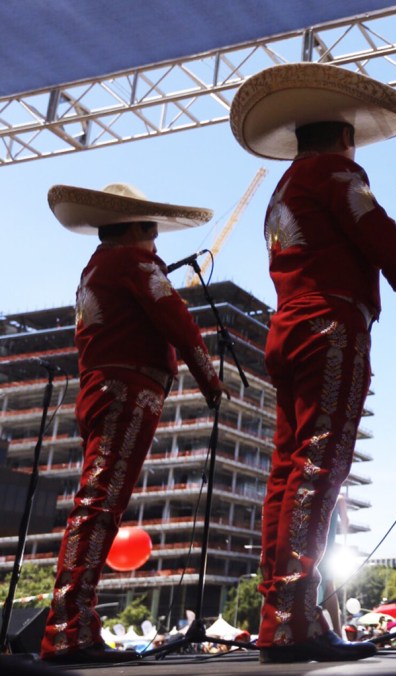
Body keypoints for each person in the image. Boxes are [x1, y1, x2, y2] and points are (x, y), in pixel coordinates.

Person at [229, 63, 396, 663]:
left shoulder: (283, 190)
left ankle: (279, 615)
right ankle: (297, 621)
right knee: (320, 469)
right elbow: (380, 235)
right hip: (331, 326)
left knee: (288, 473)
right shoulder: (338, 172)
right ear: (343, 137)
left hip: (288, 328)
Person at [40, 183, 230, 664]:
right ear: (133, 230)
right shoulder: (132, 263)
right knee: (101, 505)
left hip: (103, 388)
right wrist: (209, 378)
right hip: (127, 390)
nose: (156, 243)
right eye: (151, 231)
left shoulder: (96, 269)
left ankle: (71, 625)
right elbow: (175, 316)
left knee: (97, 502)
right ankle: (69, 630)